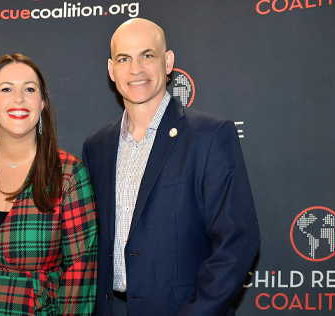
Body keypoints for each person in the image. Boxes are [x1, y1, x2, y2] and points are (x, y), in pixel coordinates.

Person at [83, 18, 260, 315]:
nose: (136, 69)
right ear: (112, 70)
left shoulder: (210, 136)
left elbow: (236, 242)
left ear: (167, 63)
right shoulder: (96, 147)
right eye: (124, 58)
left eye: (147, 55)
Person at [0, 54, 98, 316]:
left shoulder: (68, 173)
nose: (19, 99)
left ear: (42, 103)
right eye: (7, 89)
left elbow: (81, 274)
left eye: (29, 89)